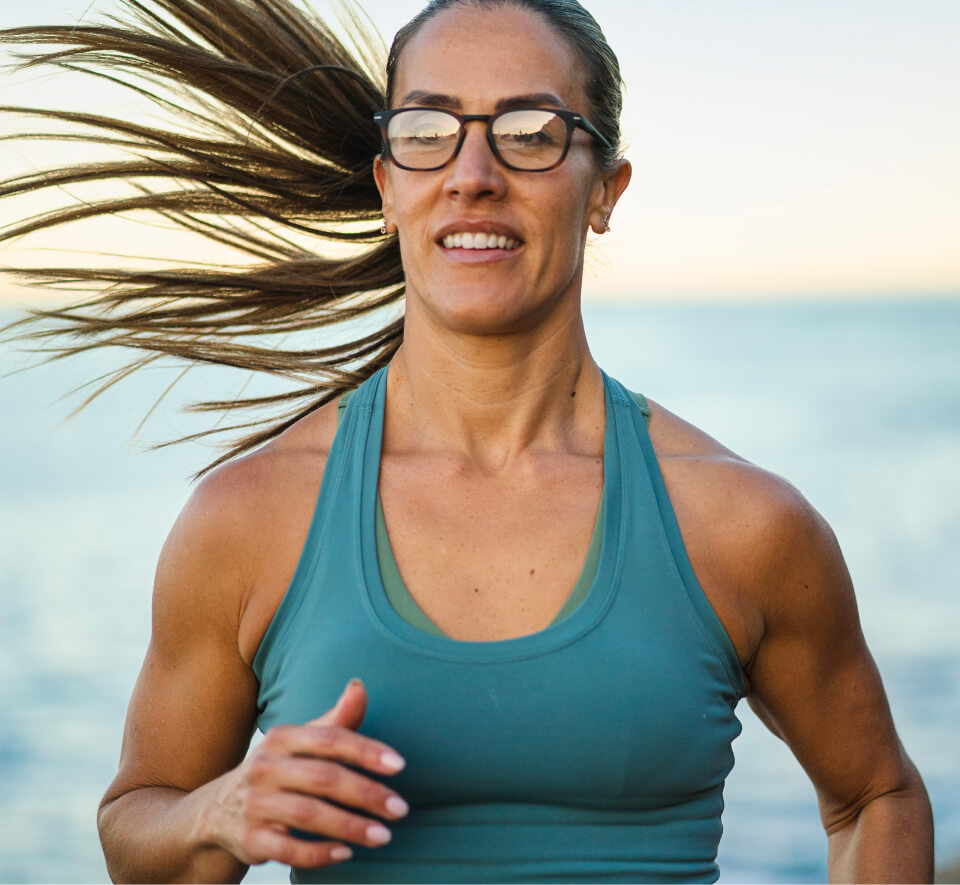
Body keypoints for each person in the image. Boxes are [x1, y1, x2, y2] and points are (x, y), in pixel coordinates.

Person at [0, 0, 934, 882]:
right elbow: (136, 832)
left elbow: (876, 794)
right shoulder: (250, 518)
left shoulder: (741, 523)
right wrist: (220, 810)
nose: (473, 173)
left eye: (530, 133)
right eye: (427, 132)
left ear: (604, 191)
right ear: (387, 188)